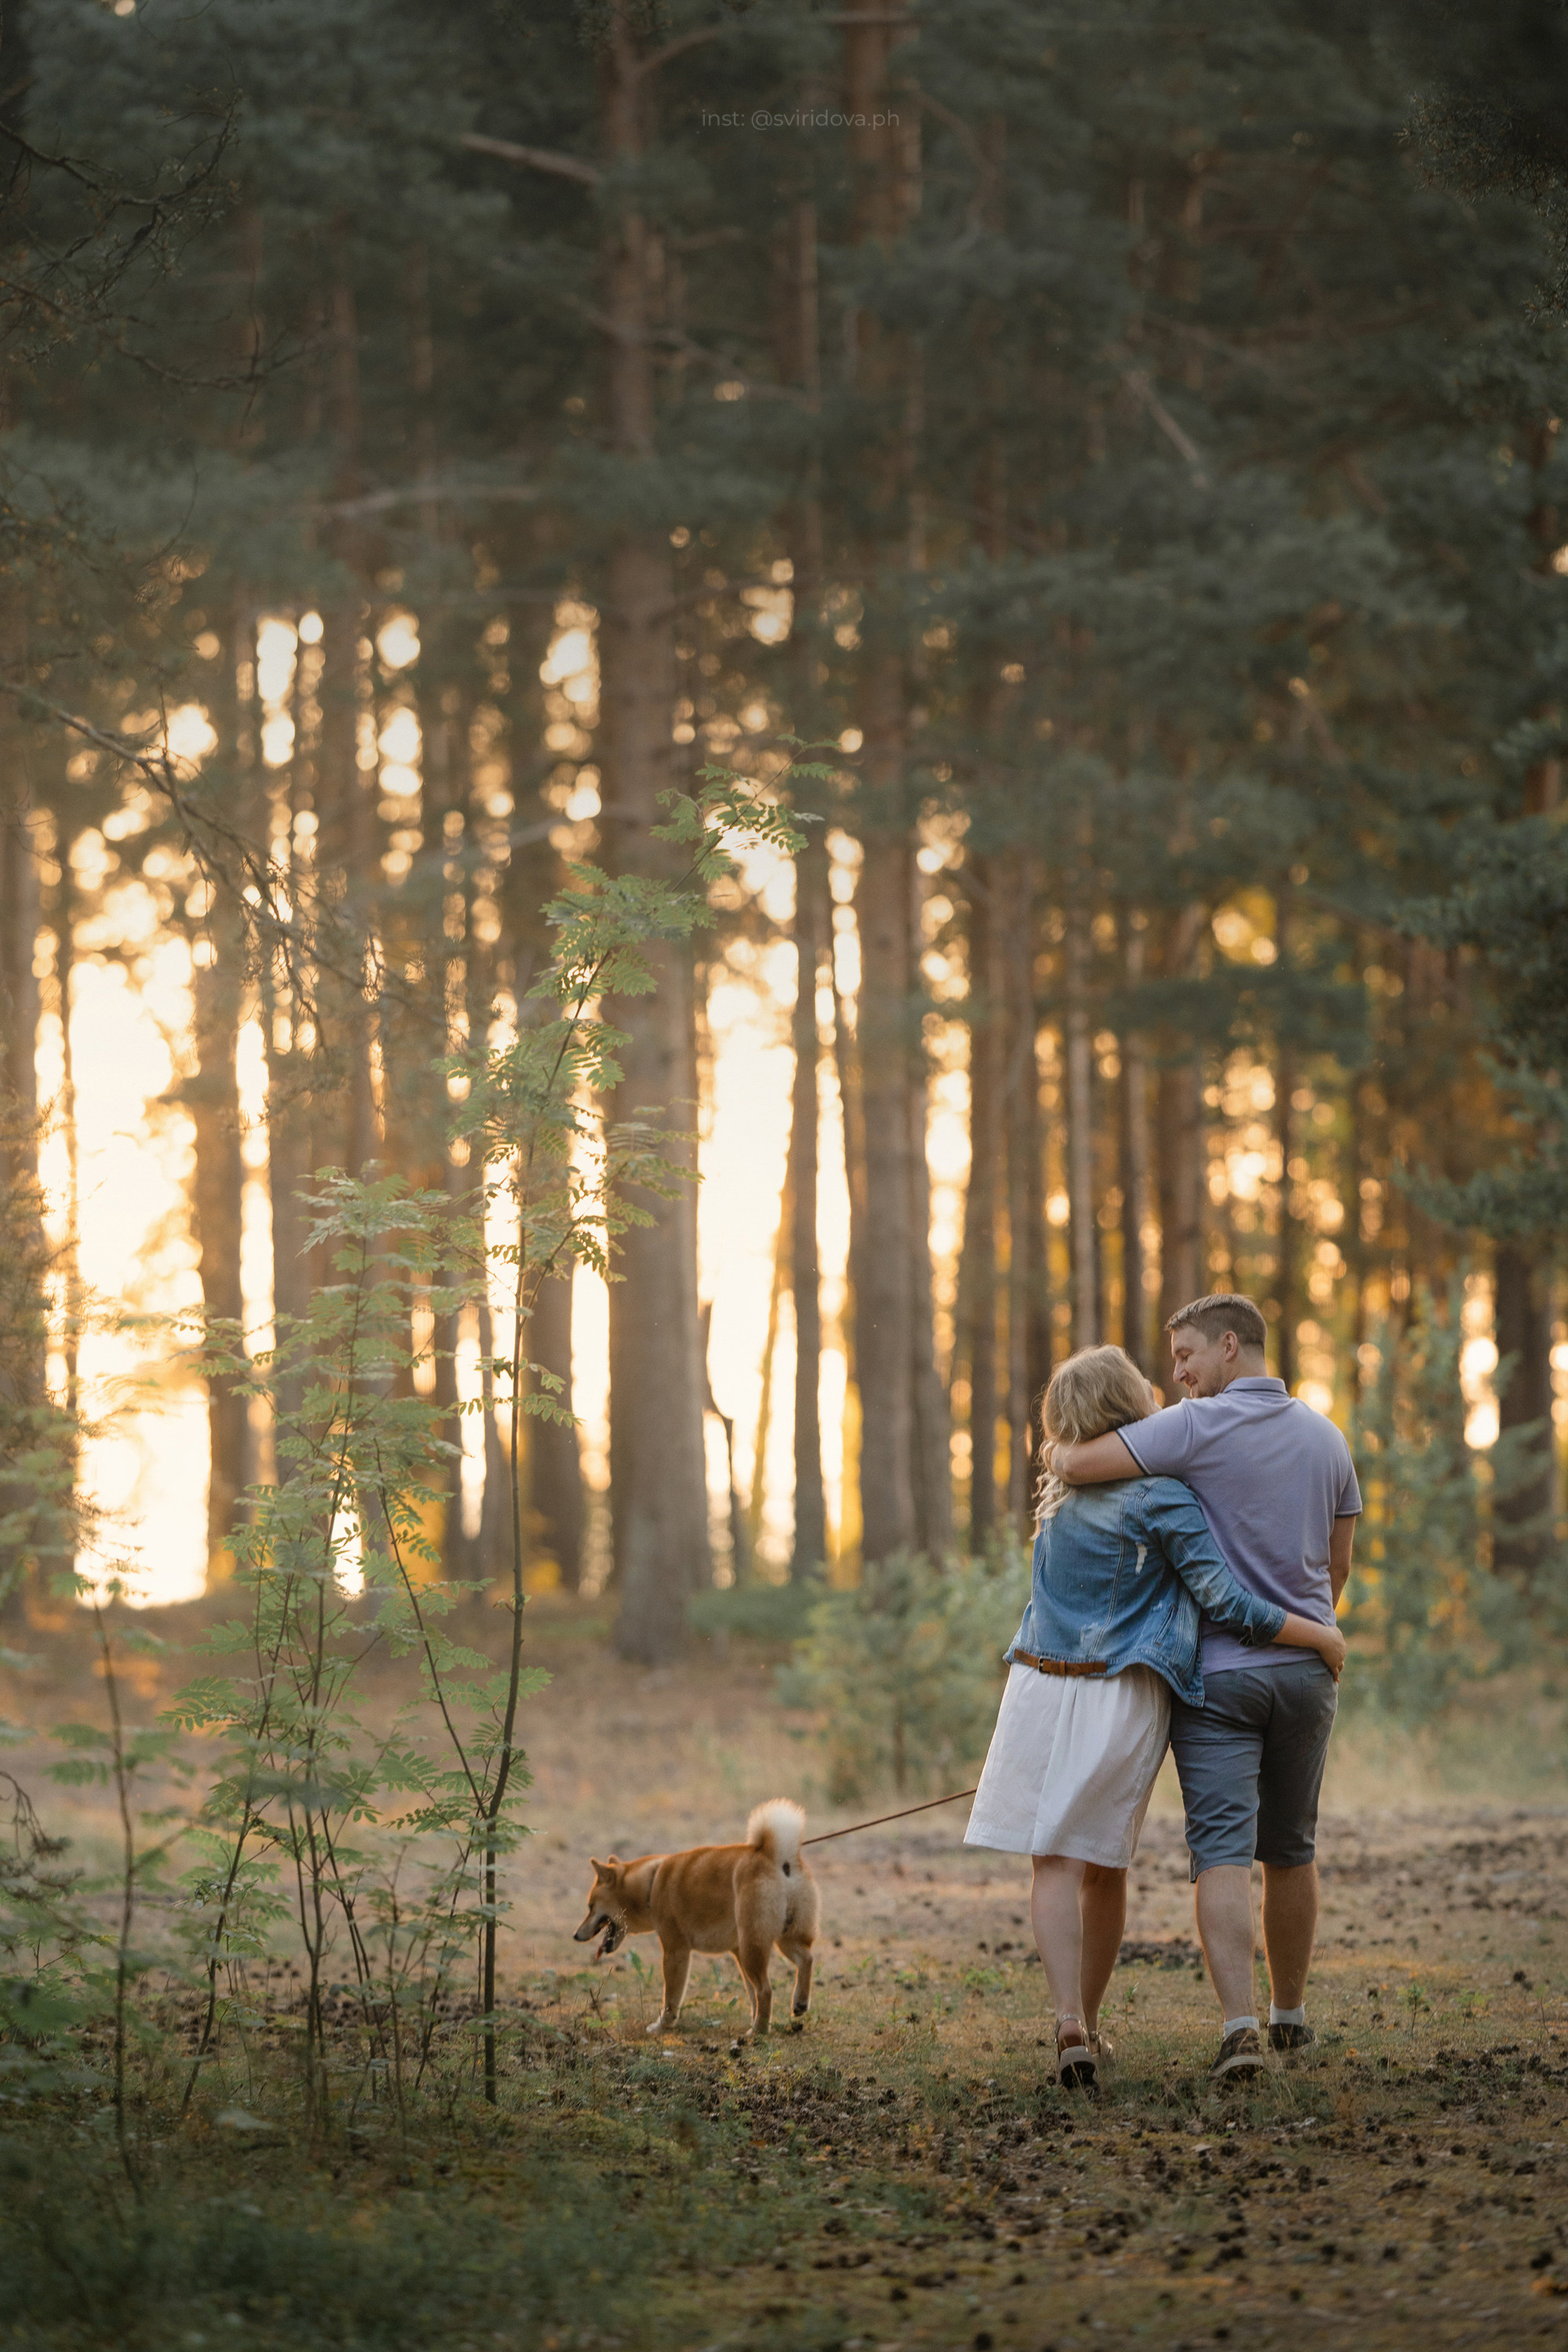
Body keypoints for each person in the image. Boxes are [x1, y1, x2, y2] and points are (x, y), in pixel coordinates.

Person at [964, 1343, 1347, 2089]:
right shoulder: (1162, 1496)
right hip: (1119, 1691)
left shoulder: (1060, 1494)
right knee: (1103, 1867)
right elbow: (1225, 1602)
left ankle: (1071, 2023)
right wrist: (1319, 1633)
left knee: (1052, 1860)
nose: (1159, 1387)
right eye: (1144, 1382)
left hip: (1037, 1686)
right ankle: (1096, 2023)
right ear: (1124, 1405)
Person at [1054, 1292, 1360, 2082]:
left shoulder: (1193, 1427)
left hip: (1218, 1677)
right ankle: (1288, 2016)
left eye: (1187, 1354)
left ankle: (1238, 2028)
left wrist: (1054, 1455)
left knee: (1220, 1853)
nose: (1178, 1373)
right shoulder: (1327, 1439)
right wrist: (1312, 1630)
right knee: (1291, 1848)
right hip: (1305, 1669)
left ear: (1231, 1346)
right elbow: (1337, 1569)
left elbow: (1083, 1462)